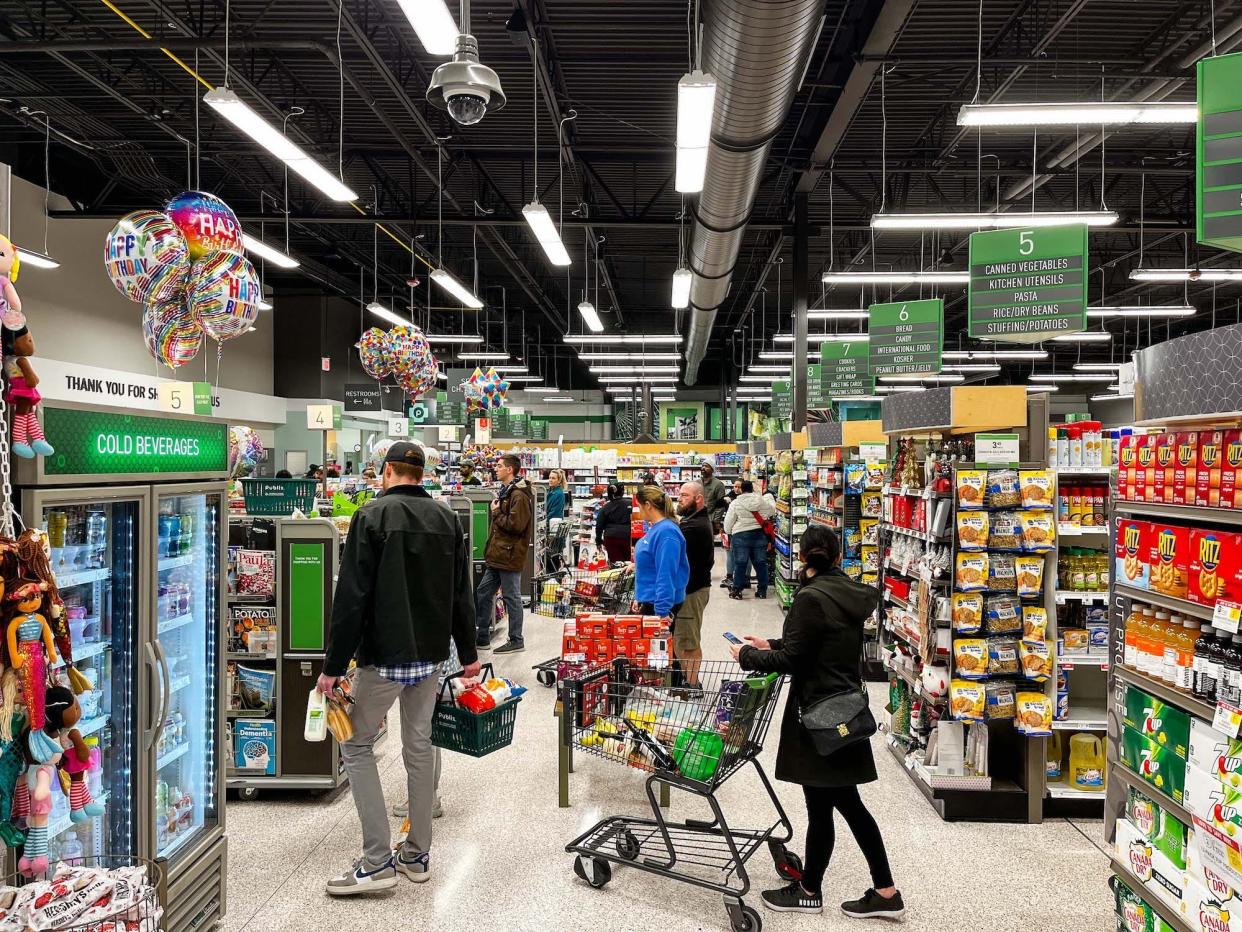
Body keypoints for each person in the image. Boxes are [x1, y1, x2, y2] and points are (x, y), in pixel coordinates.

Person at [317, 442, 480, 895]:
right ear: (421, 473)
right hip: (430, 656)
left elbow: (351, 599)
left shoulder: (369, 518)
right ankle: (417, 855)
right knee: (420, 746)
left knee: (356, 745)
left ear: (387, 471)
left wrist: (332, 666)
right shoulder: (447, 519)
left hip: (383, 656)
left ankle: (375, 863)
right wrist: (468, 655)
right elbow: (460, 596)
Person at [731, 524, 903, 920]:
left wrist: (746, 655)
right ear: (837, 556)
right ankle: (873, 889)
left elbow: (795, 661)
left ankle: (816, 890)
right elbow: (821, 644)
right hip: (844, 707)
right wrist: (770, 644)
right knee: (840, 804)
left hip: (818, 716)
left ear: (804, 557)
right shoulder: (847, 593)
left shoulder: (809, 597)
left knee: (830, 806)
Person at [475, 453, 533, 654]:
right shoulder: (506, 492)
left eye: (499, 466)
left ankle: (516, 639)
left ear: (510, 469)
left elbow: (516, 526)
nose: (495, 469)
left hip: (509, 555)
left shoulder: (519, 495)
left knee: (512, 598)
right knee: (483, 593)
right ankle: (482, 636)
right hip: (497, 555)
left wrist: (496, 512)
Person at [631, 485, 689, 627]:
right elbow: (651, 565)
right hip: (650, 600)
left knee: (659, 648)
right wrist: (639, 596)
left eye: (639, 506)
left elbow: (666, 573)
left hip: (659, 605)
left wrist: (662, 612)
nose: (638, 511)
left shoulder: (667, 533)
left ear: (648, 505)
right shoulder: (657, 527)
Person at [674, 481, 713, 687]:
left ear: (698, 498)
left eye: (685, 495)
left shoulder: (693, 526)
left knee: (687, 641)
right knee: (683, 637)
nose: (679, 499)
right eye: (680, 495)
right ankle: (686, 678)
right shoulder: (693, 520)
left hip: (692, 590)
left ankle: (693, 685)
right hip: (693, 588)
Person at [724, 479, 775, 599]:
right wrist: (769, 497)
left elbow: (728, 522)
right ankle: (762, 590)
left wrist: (729, 532)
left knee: (740, 563)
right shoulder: (761, 501)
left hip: (740, 535)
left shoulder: (735, 503)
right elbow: (771, 510)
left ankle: (737, 590)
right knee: (760, 563)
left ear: (741, 489)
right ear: (752, 489)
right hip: (759, 535)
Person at [595, 482, 633, 564]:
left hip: (611, 538)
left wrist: (598, 541)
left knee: (615, 564)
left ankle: (616, 575)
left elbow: (599, 526)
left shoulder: (605, 507)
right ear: (622, 492)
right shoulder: (631, 503)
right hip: (628, 537)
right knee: (629, 563)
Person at [700, 463, 728, 532]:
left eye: (706, 466)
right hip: (698, 518)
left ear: (712, 469)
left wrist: (716, 521)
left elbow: (720, 505)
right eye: (702, 466)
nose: (703, 468)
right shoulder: (697, 482)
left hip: (710, 520)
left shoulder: (718, 484)